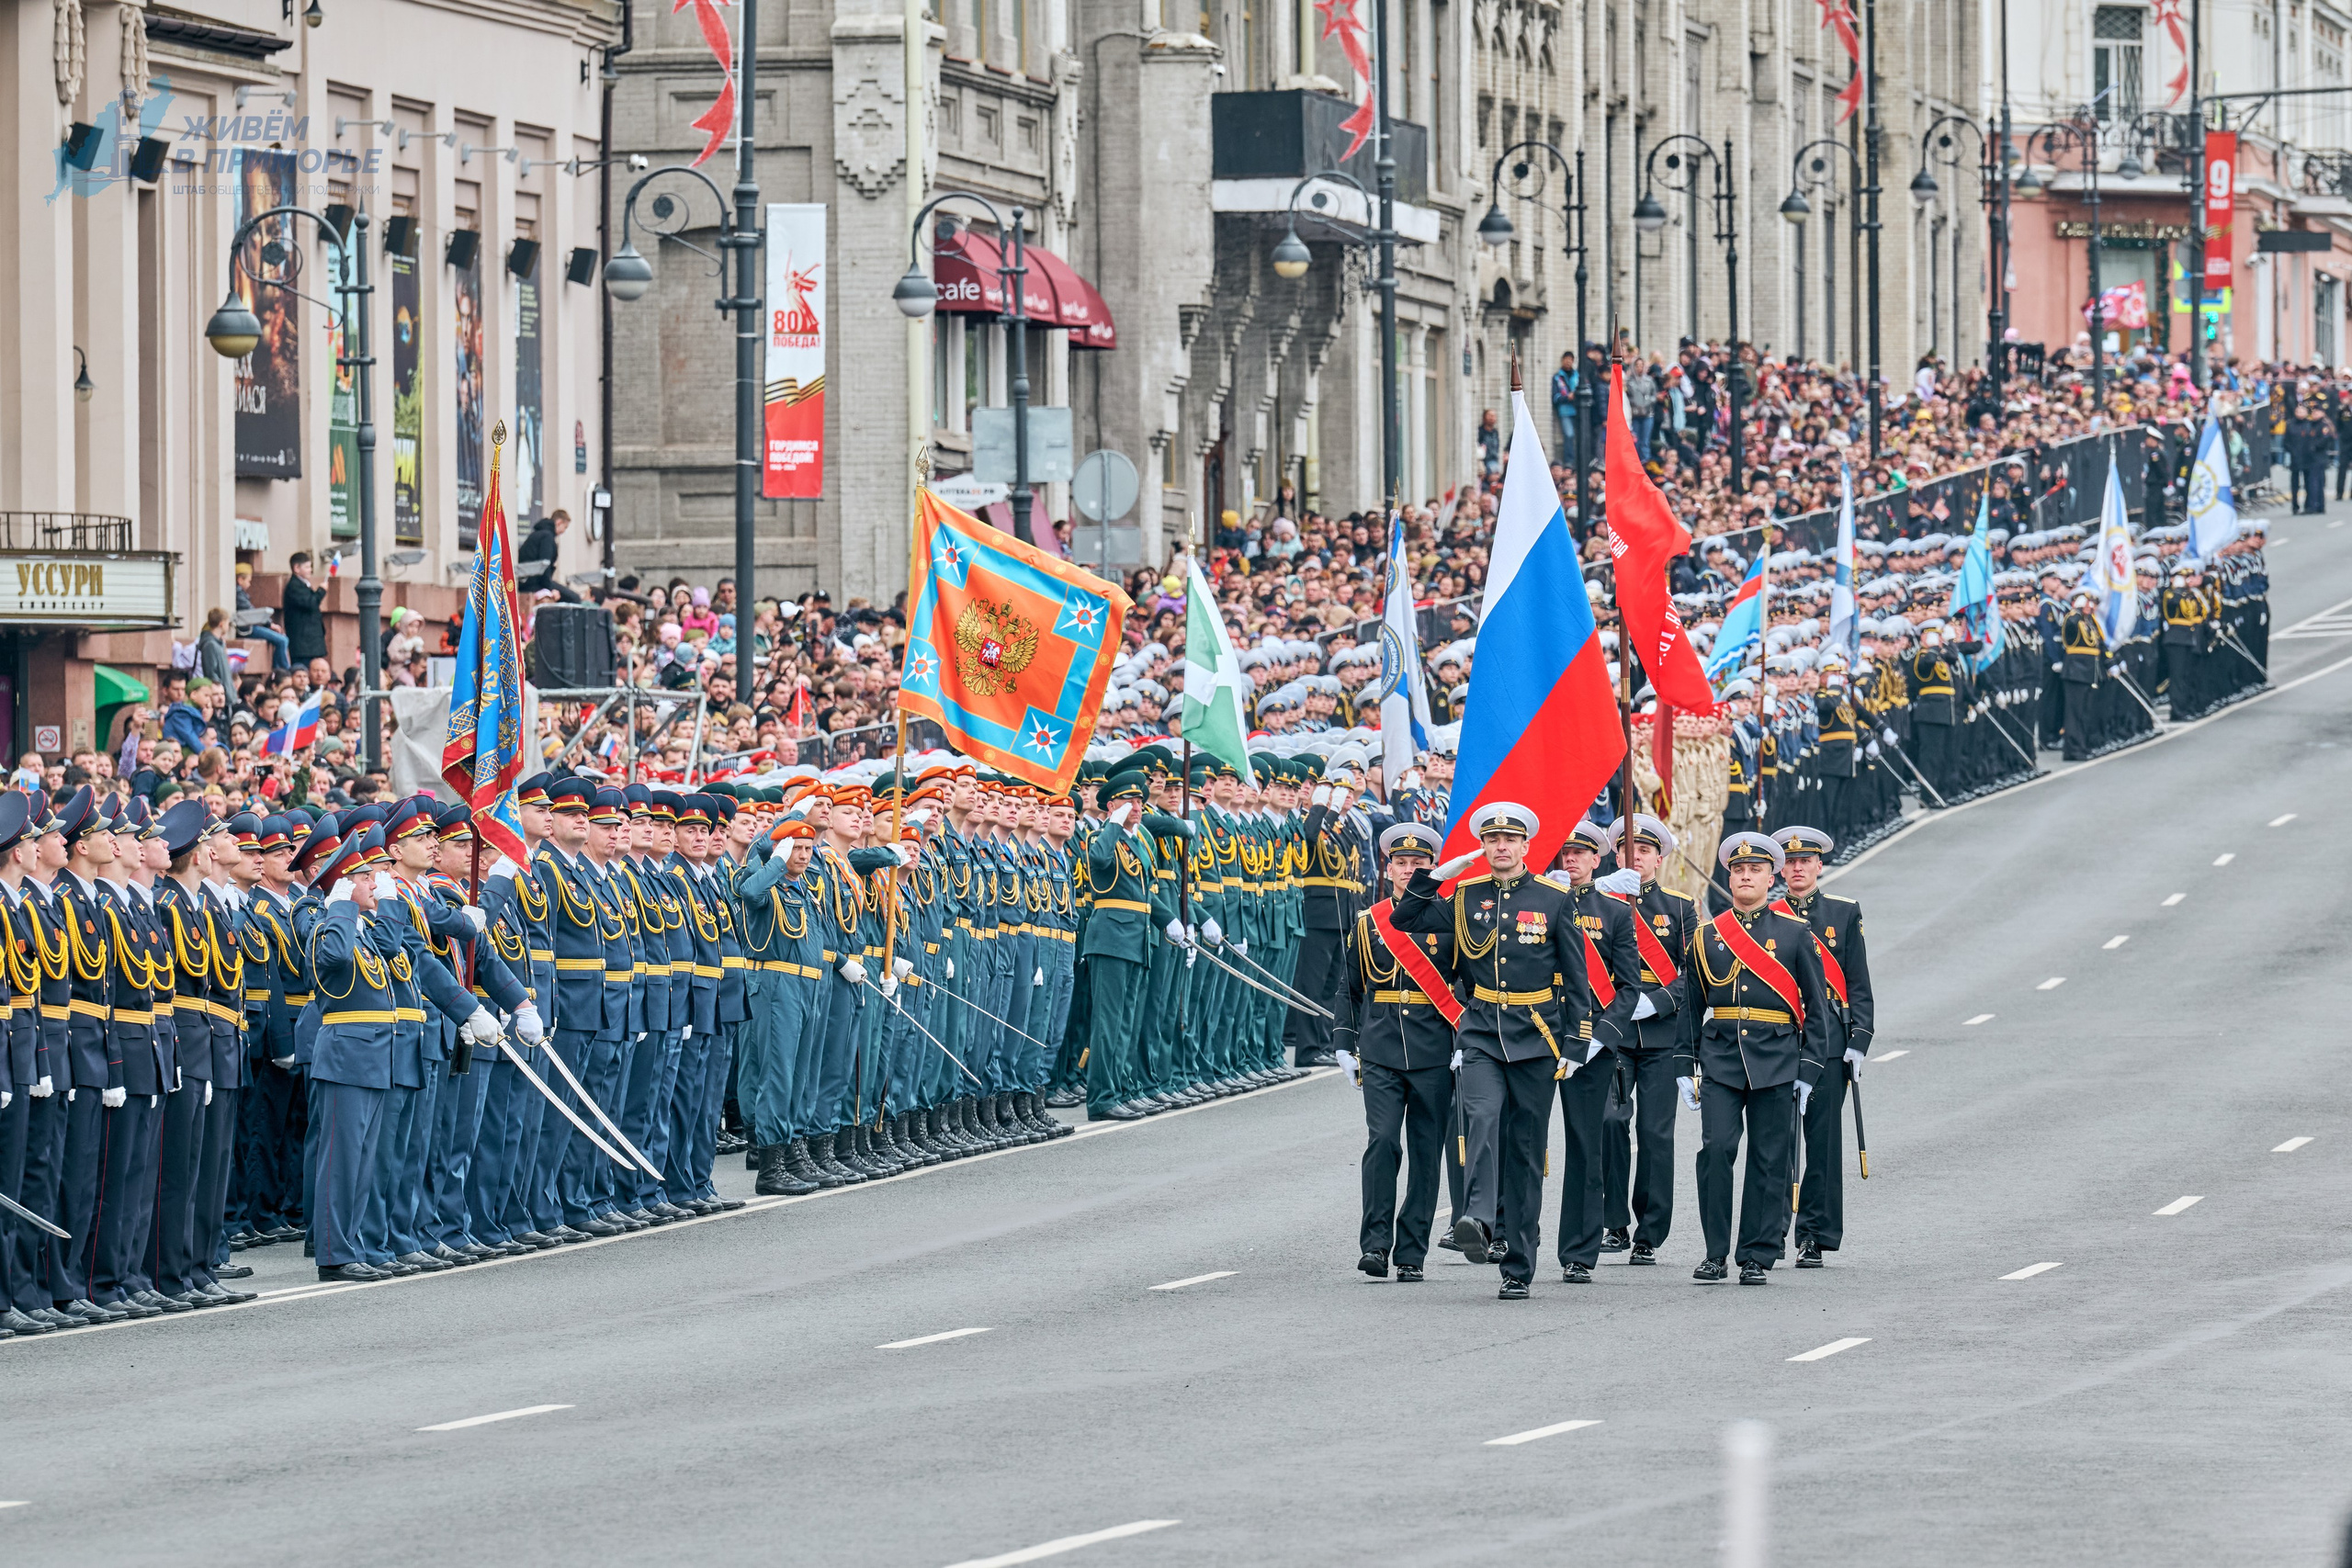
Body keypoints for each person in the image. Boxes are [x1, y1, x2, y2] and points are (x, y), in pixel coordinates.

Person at [1390, 803, 1591, 1301]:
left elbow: (1577, 976)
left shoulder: (1553, 898)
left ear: (1526, 847)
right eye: (1492, 839)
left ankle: (1518, 1265)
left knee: (1525, 1149)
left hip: (1537, 1034)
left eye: (1510, 840)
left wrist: (1577, 1039)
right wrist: (1439, 874)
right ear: (1483, 846)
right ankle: (1478, 1217)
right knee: (1480, 1116)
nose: (1501, 846)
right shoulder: (1465, 896)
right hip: (1481, 1029)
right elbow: (1403, 917)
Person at [1677, 832, 1832, 1284]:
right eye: (1739, 870)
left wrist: (1810, 1070)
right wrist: (1683, 1065)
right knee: (1717, 1150)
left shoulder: (1795, 935)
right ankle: (1714, 1252)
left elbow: (1816, 1011)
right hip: (1722, 1058)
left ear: (1772, 878)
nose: (1746, 876)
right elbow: (1691, 1006)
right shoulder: (1707, 936)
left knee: (1769, 1158)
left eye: (1756, 870)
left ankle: (1756, 1254)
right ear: (1730, 876)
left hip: (1778, 1059)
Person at [1330, 822, 1457, 1282]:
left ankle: (1411, 1251)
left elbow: (1466, 984)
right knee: (1382, 1141)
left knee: (1426, 1152)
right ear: (1388, 869)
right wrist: (1344, 1042)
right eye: (1401, 864)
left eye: (1418, 864)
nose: (1408, 871)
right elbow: (1350, 987)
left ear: (1432, 869)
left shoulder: (1448, 919)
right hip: (1381, 1046)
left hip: (1434, 1048)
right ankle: (1375, 1244)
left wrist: (1464, 1043)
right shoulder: (1369, 922)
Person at [1599, 814, 1699, 1265]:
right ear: (1614, 854)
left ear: (1658, 858)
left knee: (1655, 1134)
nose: (1634, 857)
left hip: (1662, 1038)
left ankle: (1649, 1233)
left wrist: (1656, 1002)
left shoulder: (1680, 908)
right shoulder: (1597, 904)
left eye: (1643, 850)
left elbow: (1696, 975)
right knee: (1611, 1124)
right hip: (1614, 1035)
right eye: (1625, 849)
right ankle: (1613, 1223)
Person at [1771, 826, 1873, 1268]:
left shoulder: (1843, 913)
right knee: (1773, 1139)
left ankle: (1814, 1234)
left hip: (1830, 1041)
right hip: (1775, 1039)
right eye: (1790, 862)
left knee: (1822, 1142)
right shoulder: (1764, 914)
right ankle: (1770, 1230)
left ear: (1818, 866)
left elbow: (1858, 982)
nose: (1797, 868)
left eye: (1805, 862)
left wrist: (1860, 1040)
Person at [1545, 819, 1640, 1285]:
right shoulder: (1540, 903)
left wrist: (1603, 1034)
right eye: (1565, 853)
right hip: (1538, 1033)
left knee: (1586, 1144)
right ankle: (1508, 1235)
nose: (1571, 860)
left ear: (1597, 859)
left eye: (1580, 853)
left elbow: (1628, 987)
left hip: (1592, 1040)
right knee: (1520, 1142)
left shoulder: (1617, 914)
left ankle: (1579, 1250)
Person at [282, 552, 329, 670]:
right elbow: (310, 603)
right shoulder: (294, 586)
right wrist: (321, 591)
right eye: (307, 567)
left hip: (309, 644)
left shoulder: (303, 585)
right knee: (303, 671)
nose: (310, 570)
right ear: (296, 568)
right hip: (303, 645)